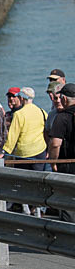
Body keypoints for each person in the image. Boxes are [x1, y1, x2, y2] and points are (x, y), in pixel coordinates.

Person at [48, 83, 75, 221]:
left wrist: (53, 163)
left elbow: (55, 144)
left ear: (64, 99)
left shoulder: (62, 117)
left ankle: (68, 238)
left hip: (67, 166)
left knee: (68, 204)